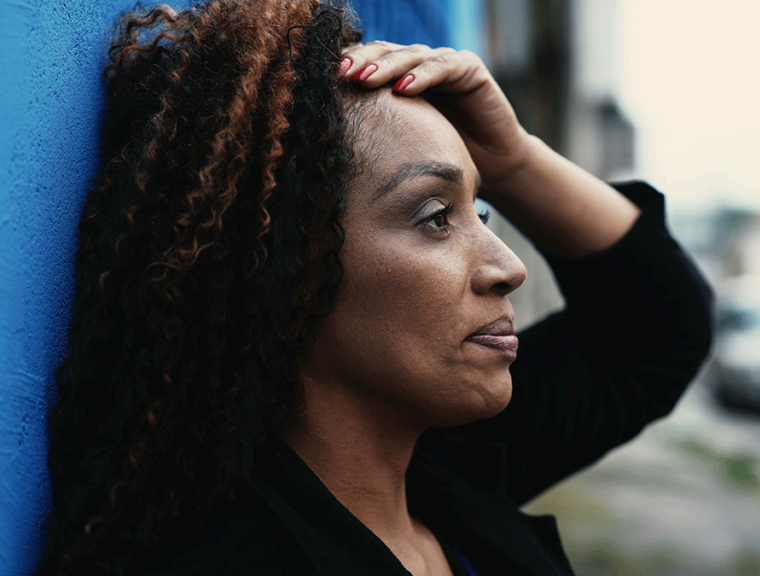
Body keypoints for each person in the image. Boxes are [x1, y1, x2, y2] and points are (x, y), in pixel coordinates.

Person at [40, 1, 713, 575]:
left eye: (481, 214)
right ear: (290, 268)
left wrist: (512, 156)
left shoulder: (447, 474)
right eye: (435, 218)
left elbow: (658, 332)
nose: (508, 266)